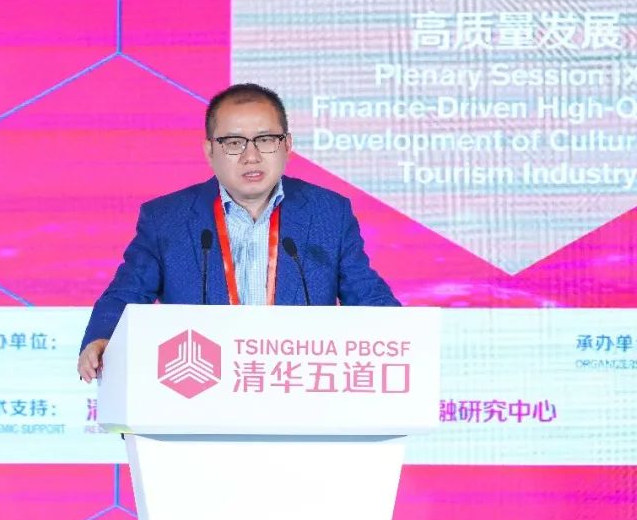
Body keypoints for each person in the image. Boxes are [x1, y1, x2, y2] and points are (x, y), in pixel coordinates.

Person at [77, 83, 399, 382]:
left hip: (297, 385)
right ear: (209, 150)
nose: (251, 156)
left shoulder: (328, 213)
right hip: (201, 387)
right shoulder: (167, 219)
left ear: (287, 145)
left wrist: (404, 339)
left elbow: (366, 293)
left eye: (266, 139)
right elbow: (127, 293)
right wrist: (102, 338)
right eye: (233, 143)